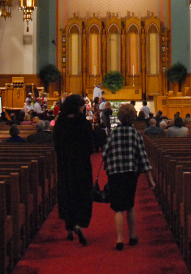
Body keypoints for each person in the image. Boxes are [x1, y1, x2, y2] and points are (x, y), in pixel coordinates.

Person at [102, 104, 155, 250]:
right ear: (132, 118)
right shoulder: (136, 134)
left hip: (115, 173)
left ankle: (119, 239)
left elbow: (104, 154)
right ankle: (132, 235)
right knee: (130, 205)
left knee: (118, 207)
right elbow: (143, 157)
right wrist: (150, 179)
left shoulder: (113, 134)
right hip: (131, 173)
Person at [53, 94, 94, 244]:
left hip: (65, 164)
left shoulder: (60, 123)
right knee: (81, 193)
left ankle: (69, 227)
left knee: (67, 193)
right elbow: (91, 145)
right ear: (78, 107)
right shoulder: (84, 123)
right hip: (82, 165)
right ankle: (78, 224)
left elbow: (56, 145)